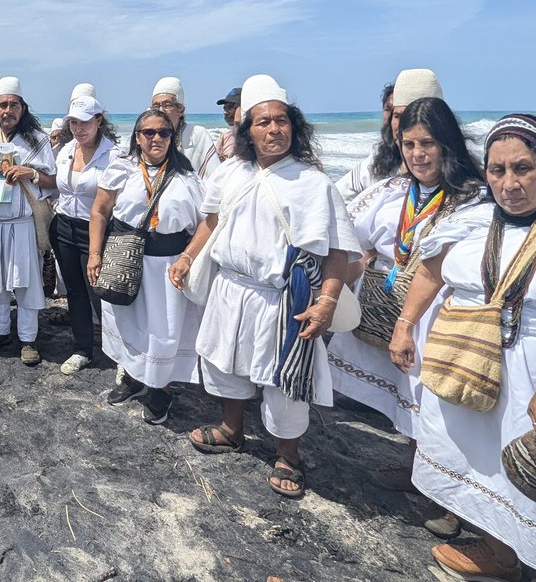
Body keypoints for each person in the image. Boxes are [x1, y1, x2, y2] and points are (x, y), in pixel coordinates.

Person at [168, 75, 359, 498]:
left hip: (282, 299)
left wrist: (327, 301)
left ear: (294, 126)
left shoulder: (314, 183)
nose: (275, 129)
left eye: (282, 120)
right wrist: (187, 257)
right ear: (247, 132)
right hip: (229, 288)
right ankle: (231, 429)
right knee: (222, 361)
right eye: (264, 122)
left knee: (283, 382)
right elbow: (212, 221)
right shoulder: (230, 172)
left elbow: (336, 250)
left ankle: (289, 455)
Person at [327, 97, 485, 531]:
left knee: (439, 407)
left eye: (427, 144)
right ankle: (418, 474)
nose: (418, 154)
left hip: (439, 316)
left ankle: (448, 501)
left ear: (447, 144)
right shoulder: (396, 190)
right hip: (388, 305)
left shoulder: (472, 199)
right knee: (409, 400)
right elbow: (355, 238)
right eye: (409, 144)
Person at [390, 114, 536, 581]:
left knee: (520, 464)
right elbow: (430, 273)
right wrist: (405, 325)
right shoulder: (473, 221)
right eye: (497, 170)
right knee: (477, 459)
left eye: (523, 168)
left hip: (528, 371)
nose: (509, 184)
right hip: (463, 356)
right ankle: (499, 552)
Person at [89, 108, 204, 424]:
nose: (156, 138)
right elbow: (99, 211)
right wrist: (95, 254)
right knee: (126, 320)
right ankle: (132, 378)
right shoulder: (122, 169)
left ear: (172, 137)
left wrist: (187, 258)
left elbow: (207, 223)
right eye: (148, 132)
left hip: (167, 267)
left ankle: (161, 390)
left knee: (162, 330)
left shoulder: (186, 176)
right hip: (125, 258)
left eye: (163, 132)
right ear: (137, 137)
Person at [0, 77, 56, 366]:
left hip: (22, 224)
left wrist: (30, 173)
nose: (8, 110)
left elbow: (55, 181)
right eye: (3, 105)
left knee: (25, 282)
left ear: (22, 108)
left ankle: (28, 339)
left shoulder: (38, 139)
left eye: (14, 104)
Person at [50, 95, 119, 375]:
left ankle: (121, 356)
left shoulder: (114, 155)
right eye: (73, 123)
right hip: (64, 227)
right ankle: (82, 349)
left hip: (96, 231)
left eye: (85, 122)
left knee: (101, 293)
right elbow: (55, 187)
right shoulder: (66, 149)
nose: (79, 129)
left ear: (99, 120)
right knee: (75, 291)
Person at [336, 80, 400, 202]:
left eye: (398, 113)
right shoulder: (378, 157)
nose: (391, 118)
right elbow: (339, 194)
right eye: (388, 109)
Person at [150, 77, 217, 178]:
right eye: (156, 106)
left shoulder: (196, 135)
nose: (161, 111)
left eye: (167, 105)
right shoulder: (147, 135)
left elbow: (215, 178)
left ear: (180, 110)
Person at [215, 87, 241, 162]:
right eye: (224, 108)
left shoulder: (255, 138)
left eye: (230, 107)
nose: (225, 112)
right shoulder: (224, 138)